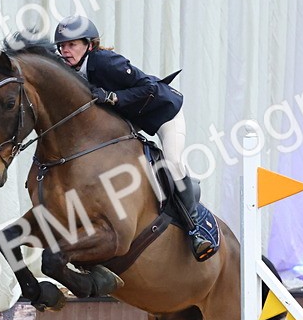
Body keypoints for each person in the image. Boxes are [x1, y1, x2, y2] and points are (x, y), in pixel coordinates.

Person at [54, 15, 214, 261]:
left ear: (89, 45)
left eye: (71, 45)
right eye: (62, 46)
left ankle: (195, 229)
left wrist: (113, 97)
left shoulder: (105, 62)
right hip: (134, 120)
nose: (65, 51)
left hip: (163, 114)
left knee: (172, 161)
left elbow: (147, 88)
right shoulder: (69, 70)